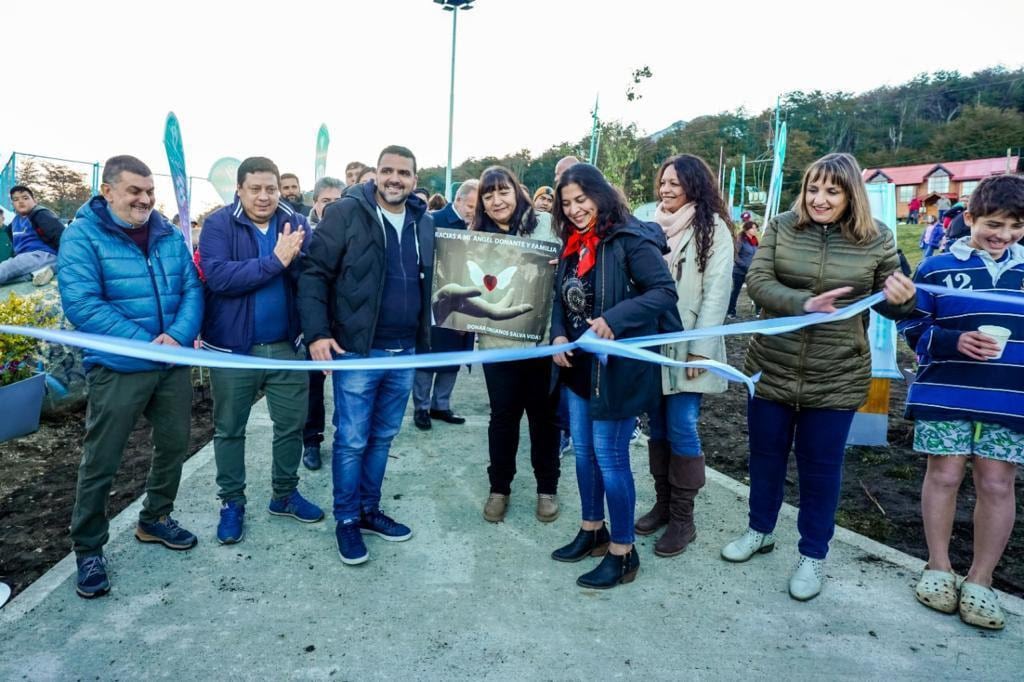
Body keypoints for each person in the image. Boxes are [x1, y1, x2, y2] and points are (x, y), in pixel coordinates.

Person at [720, 153, 917, 601]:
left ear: (851, 195)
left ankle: (812, 555)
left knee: (821, 469)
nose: (819, 199)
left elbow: (889, 300)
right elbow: (757, 281)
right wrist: (804, 304)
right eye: (813, 188)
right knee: (765, 456)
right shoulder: (781, 226)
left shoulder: (877, 238)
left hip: (837, 375)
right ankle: (760, 530)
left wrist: (902, 298)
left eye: (832, 190)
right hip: (771, 367)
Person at [57, 155, 204, 599]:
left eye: (149, 192)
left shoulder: (167, 234)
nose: (144, 199)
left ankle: (156, 518)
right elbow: (82, 303)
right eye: (134, 191)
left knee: (175, 444)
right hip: (119, 367)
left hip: (170, 363)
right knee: (103, 459)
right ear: (108, 191)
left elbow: (192, 288)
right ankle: (88, 548)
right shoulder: (82, 236)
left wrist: (177, 337)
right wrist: (145, 343)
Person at [898, 174, 1024, 630]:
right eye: (994, 223)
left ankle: (981, 579)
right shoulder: (935, 268)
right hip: (946, 390)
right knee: (945, 473)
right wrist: (952, 341)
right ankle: (936, 566)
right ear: (969, 218)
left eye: (1016, 225)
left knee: (996, 483)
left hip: (1009, 400)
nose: (1003, 235)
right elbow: (911, 327)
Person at [298, 145, 433, 565]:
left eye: (404, 173)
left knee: (382, 438)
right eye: (388, 171)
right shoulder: (344, 213)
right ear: (375, 174)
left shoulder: (422, 222)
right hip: (358, 350)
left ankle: (369, 510)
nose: (395, 179)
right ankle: (346, 521)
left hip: (405, 351)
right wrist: (318, 333)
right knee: (352, 439)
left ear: (414, 179)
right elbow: (314, 274)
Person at [549, 163, 681, 588]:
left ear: (601, 196)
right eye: (566, 203)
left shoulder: (630, 239)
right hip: (578, 369)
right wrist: (556, 334)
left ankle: (624, 551)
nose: (574, 210)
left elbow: (663, 292)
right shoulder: (573, 243)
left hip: (619, 371)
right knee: (584, 455)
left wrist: (614, 318)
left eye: (581, 201)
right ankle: (593, 530)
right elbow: (561, 297)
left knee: (610, 457)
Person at [199, 156, 323, 545]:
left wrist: (297, 262)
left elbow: (313, 278)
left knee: (290, 426)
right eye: (255, 189)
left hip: (288, 346)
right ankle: (232, 502)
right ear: (239, 189)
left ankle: (284, 494)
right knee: (230, 429)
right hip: (233, 351)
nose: (265, 196)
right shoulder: (219, 224)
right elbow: (219, 277)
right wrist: (275, 261)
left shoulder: (297, 223)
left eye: (271, 188)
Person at [636, 154, 733, 557]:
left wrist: (699, 351)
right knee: (656, 426)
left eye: (676, 182)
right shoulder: (645, 222)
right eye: (663, 181)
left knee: (682, 425)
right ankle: (662, 504)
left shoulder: (713, 229)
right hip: (650, 342)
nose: (667, 188)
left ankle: (683, 518)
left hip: (688, 344)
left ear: (694, 184)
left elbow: (717, 292)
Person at [467, 166, 562, 525]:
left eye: (502, 191)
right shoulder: (476, 235)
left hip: (542, 344)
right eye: (488, 195)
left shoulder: (548, 225)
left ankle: (546, 489)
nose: (496, 200)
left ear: (516, 192)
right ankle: (499, 488)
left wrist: (560, 264)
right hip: (498, 344)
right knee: (503, 418)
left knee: (544, 420)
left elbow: (569, 274)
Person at [412, 179, 479, 431]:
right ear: (458, 200)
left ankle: (441, 405)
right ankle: (421, 408)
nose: (473, 210)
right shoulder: (432, 220)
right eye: (470, 205)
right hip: (435, 300)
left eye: (477, 206)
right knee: (428, 356)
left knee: (453, 355)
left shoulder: (479, 226)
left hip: (464, 301)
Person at [300, 176, 345, 470]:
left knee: (347, 388)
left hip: (344, 325)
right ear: (315, 204)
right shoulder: (301, 234)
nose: (331, 207)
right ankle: (312, 441)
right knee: (312, 388)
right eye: (326, 201)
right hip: (312, 325)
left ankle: (345, 439)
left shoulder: (353, 231)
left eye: (338, 202)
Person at [1, 185, 64, 286]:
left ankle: (54, 266)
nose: (21, 201)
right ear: (13, 204)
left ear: (34, 201)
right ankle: (39, 272)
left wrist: (64, 261)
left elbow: (61, 237)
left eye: (25, 198)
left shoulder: (40, 214)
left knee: (5, 268)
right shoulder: (14, 222)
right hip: (26, 258)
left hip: (42, 254)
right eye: (16, 199)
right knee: (9, 279)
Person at [727, 220, 760, 318]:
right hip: (739, 271)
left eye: (756, 228)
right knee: (736, 291)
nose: (755, 230)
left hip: (751, 271)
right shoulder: (740, 240)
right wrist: (744, 266)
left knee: (756, 290)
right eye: (752, 228)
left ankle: (758, 311)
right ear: (746, 229)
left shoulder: (755, 241)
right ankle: (730, 311)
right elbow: (735, 255)